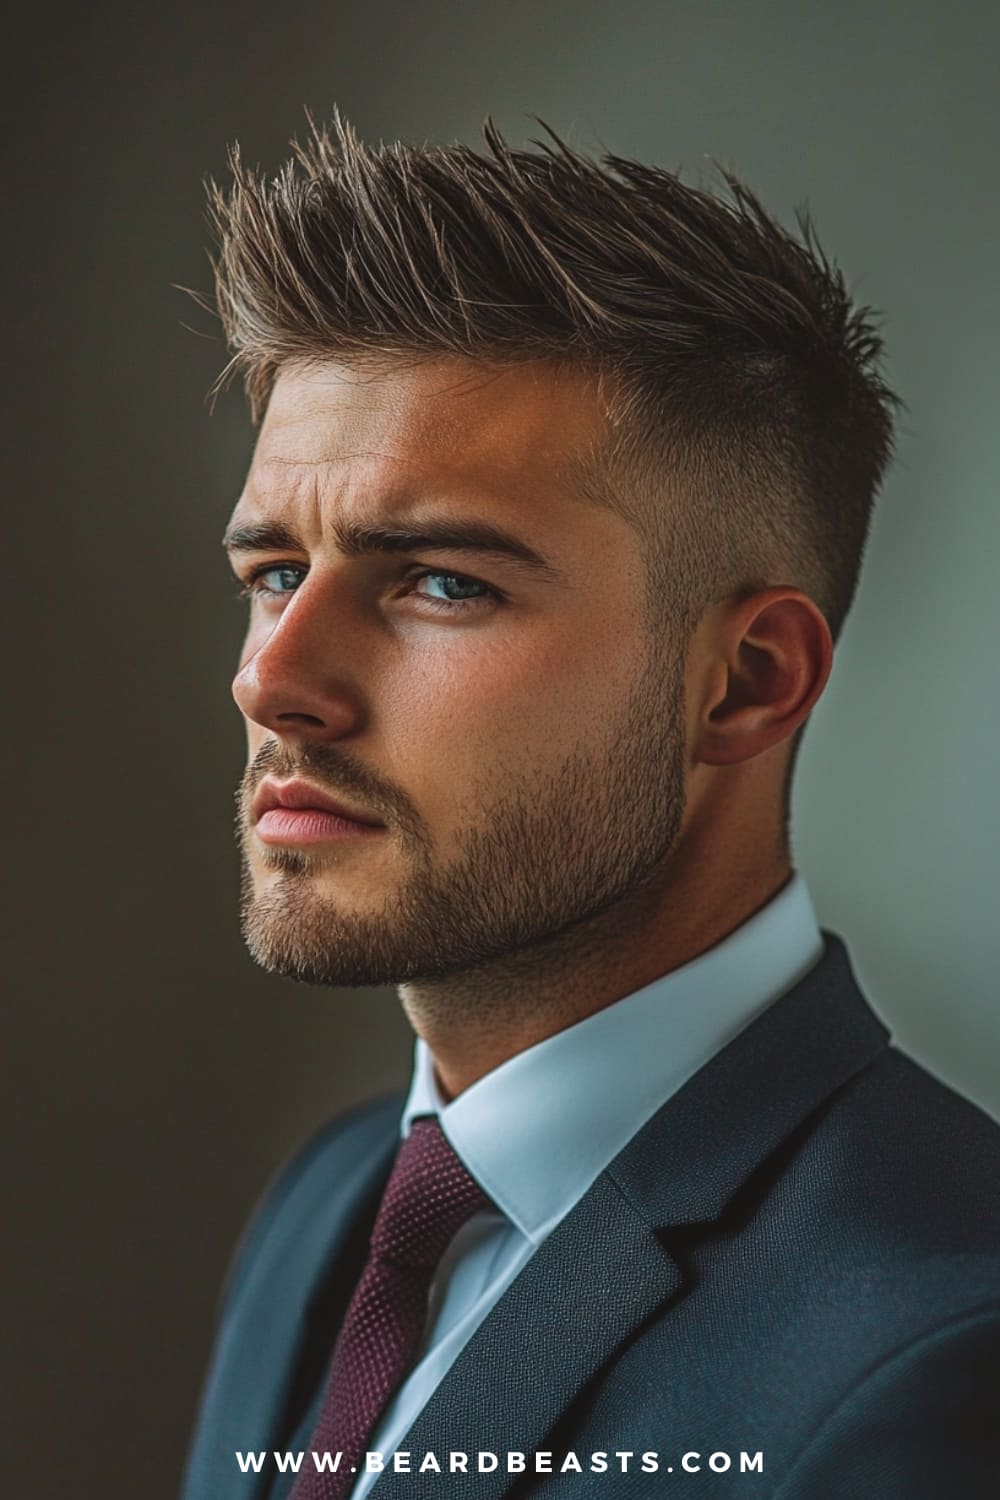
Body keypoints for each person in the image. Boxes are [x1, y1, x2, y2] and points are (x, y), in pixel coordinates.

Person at [181, 111, 1000, 1498]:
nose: (276, 680)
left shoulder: (943, 1344)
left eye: (442, 581)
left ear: (745, 680)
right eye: (274, 571)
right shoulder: (332, 1208)